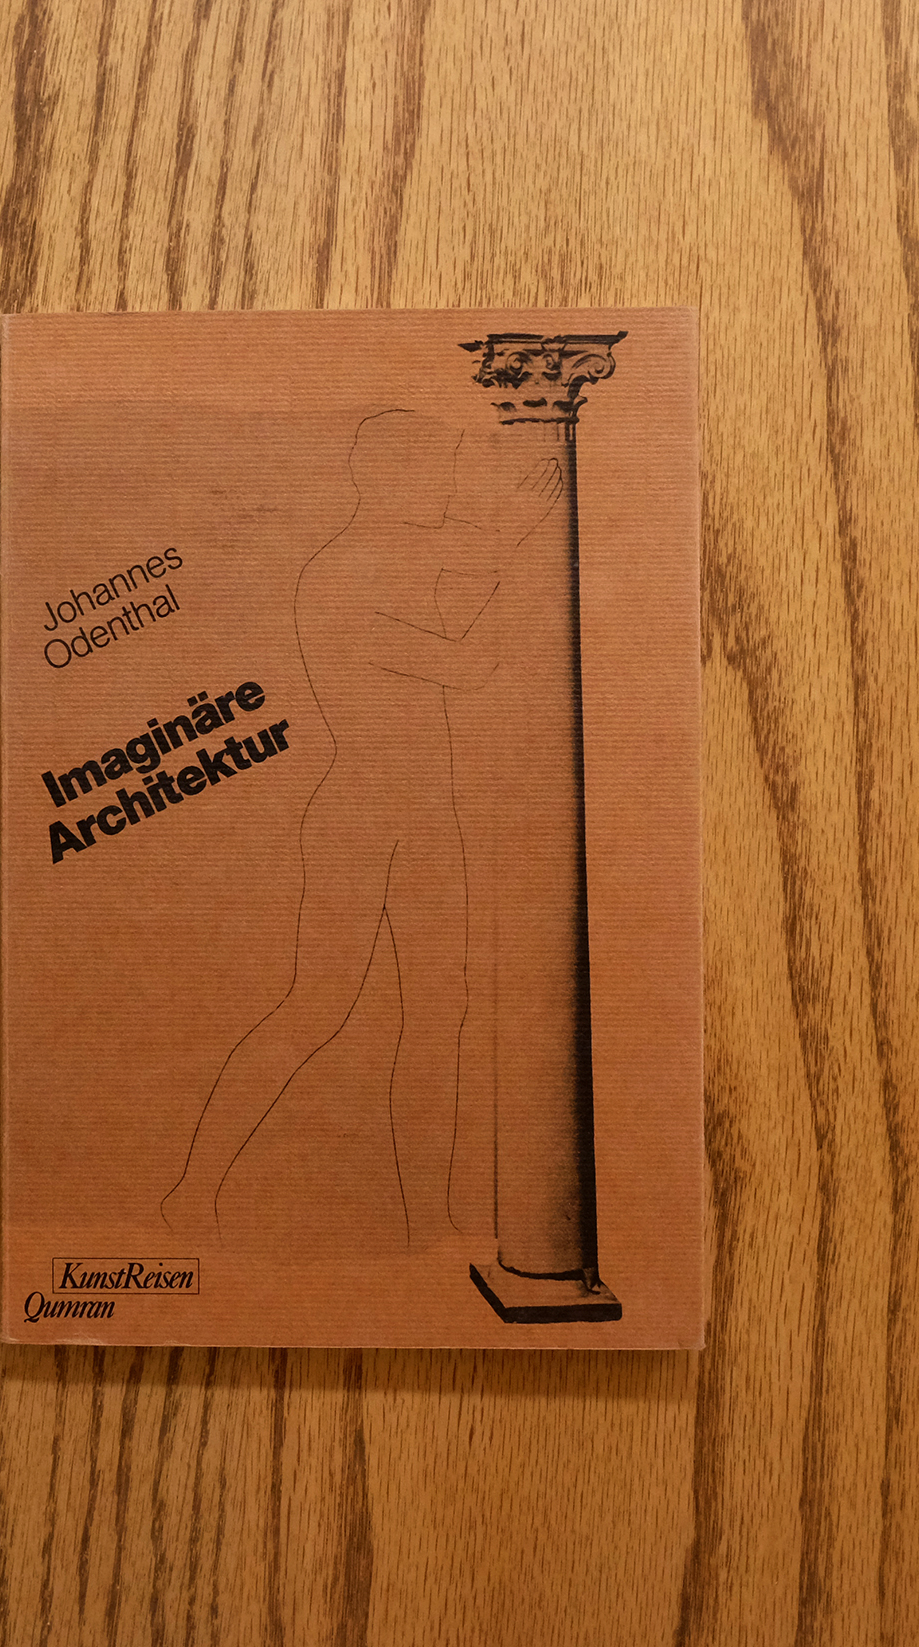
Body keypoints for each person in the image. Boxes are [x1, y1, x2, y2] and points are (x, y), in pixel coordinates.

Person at [160, 409, 562, 1247]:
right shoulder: (337, 575)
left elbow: (485, 546)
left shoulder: (420, 542)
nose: (449, 487)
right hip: (358, 814)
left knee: (441, 1010)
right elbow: (466, 663)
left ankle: (427, 1224)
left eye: (451, 469)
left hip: (428, 813)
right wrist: (526, 558)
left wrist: (521, 532)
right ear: (384, 478)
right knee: (318, 1006)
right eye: (436, 472)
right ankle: (191, 1192)